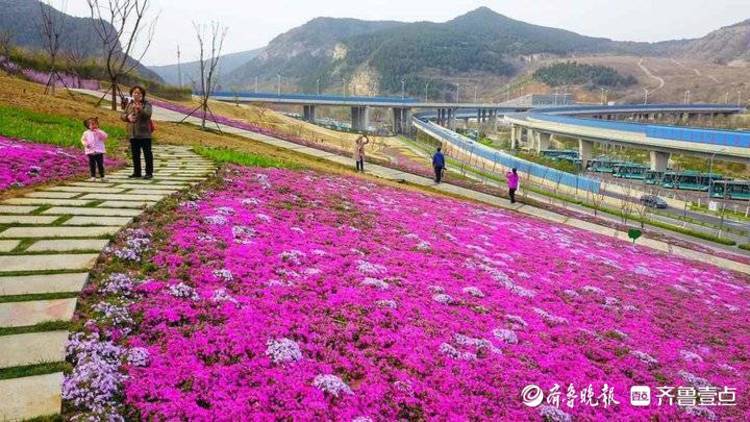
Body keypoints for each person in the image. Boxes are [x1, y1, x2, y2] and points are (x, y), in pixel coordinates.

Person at [121, 85, 154, 179]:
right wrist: (128, 117)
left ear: (142, 95)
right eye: (134, 92)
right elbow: (123, 115)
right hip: (132, 133)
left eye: (138, 93)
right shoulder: (130, 104)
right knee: (135, 154)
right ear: (131, 94)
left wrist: (140, 109)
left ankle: (149, 173)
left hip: (144, 134)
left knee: (147, 154)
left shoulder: (147, 104)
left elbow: (148, 115)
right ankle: (137, 172)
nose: (136, 94)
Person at [81, 117, 108, 181]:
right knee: (92, 164)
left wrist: (98, 132)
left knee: (100, 164)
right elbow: (83, 140)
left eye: (95, 124)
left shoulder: (100, 131)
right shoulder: (86, 133)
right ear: (88, 126)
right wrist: (85, 144)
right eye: (92, 124)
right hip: (90, 152)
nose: (94, 126)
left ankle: (102, 176)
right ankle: (93, 176)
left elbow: (104, 137)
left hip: (99, 151)